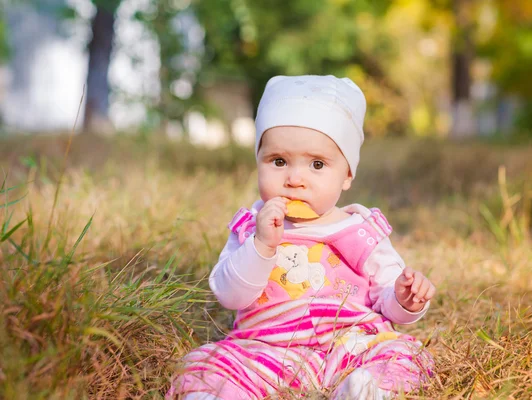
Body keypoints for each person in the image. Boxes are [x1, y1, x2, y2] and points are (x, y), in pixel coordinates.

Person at [167, 75, 436, 400]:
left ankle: (365, 390)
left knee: (403, 356)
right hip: (266, 348)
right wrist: (261, 246)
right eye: (278, 161)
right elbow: (229, 295)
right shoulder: (253, 227)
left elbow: (387, 302)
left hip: (349, 343)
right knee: (205, 365)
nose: (295, 179)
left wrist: (405, 298)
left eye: (317, 164)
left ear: (347, 174)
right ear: (258, 163)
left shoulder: (360, 230)